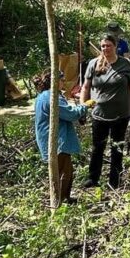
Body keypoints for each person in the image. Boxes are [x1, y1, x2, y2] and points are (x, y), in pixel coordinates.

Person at [81, 34, 130, 189]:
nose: (105, 48)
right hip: (99, 115)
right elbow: (85, 88)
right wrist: (82, 109)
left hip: (121, 115)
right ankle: (93, 178)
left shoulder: (125, 64)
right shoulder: (93, 64)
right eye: (103, 46)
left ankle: (115, 180)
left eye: (109, 45)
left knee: (117, 148)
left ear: (115, 47)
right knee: (97, 148)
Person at [33, 69, 87, 205]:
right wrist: (84, 107)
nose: (64, 82)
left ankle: (64, 199)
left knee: (66, 170)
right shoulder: (51, 98)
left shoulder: (46, 95)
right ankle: (59, 203)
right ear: (55, 81)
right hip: (55, 140)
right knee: (63, 172)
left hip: (53, 138)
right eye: (62, 80)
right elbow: (70, 114)